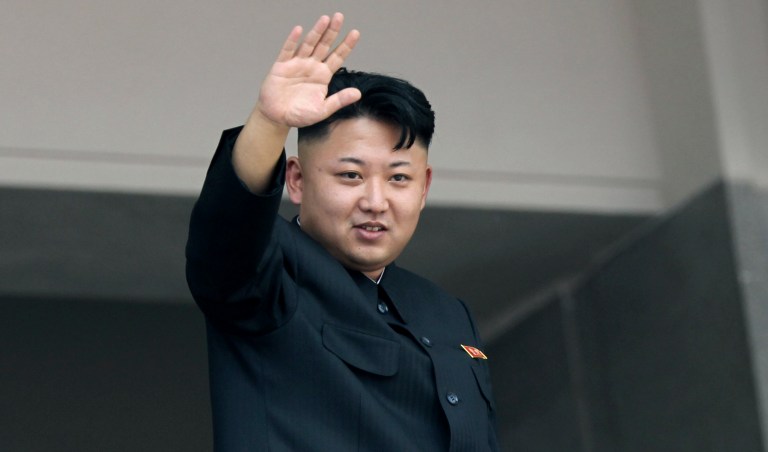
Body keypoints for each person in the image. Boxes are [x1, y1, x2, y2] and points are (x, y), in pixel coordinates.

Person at [186, 12, 499, 451]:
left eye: (398, 178)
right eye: (351, 176)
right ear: (296, 179)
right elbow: (227, 234)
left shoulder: (447, 312)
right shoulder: (270, 276)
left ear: (424, 187)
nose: (375, 200)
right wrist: (269, 122)